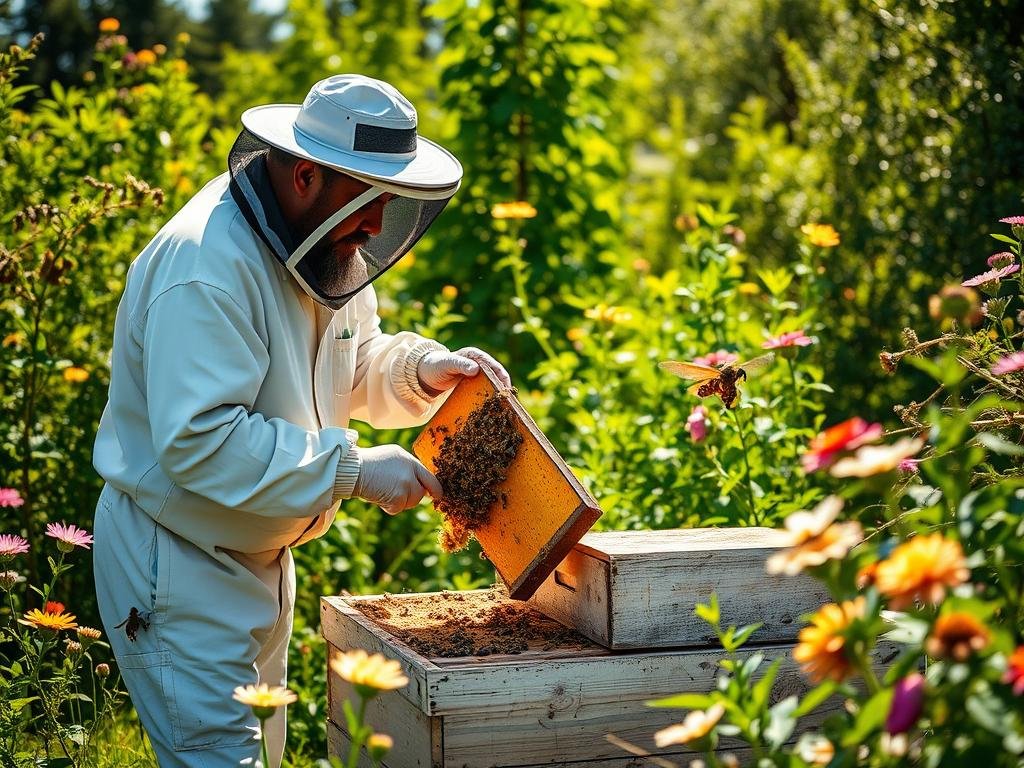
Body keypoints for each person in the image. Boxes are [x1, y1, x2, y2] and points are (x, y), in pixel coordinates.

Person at [91, 74, 510, 767]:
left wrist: (421, 369)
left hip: (260, 554)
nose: (378, 224)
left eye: (392, 201)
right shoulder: (206, 266)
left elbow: (351, 361)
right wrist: (352, 470)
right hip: (180, 559)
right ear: (308, 175)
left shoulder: (322, 244)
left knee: (264, 754)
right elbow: (201, 441)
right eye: (369, 199)